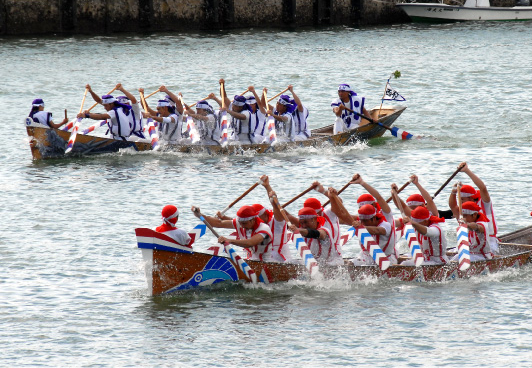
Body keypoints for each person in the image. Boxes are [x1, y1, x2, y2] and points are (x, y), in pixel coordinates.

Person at [449, 162, 499, 254]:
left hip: (489, 241)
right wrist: (453, 192)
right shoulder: (463, 208)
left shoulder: (484, 203)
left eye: (462, 199)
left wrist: (467, 171)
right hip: (470, 242)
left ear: (471, 198)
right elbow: (452, 206)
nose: (460, 202)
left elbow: (483, 188)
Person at [192, 205, 273, 261]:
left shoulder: (264, 228)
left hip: (267, 262)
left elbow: (250, 243)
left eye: (244, 223)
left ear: (253, 220)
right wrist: (199, 215)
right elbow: (218, 223)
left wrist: (229, 240)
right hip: (251, 260)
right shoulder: (241, 222)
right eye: (240, 223)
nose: (241, 225)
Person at [350, 175, 398, 265]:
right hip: (368, 254)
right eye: (361, 207)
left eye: (368, 206)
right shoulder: (364, 217)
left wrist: (362, 183)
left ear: (375, 205)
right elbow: (345, 217)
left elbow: (379, 197)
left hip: (387, 254)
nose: (364, 209)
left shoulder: (386, 214)